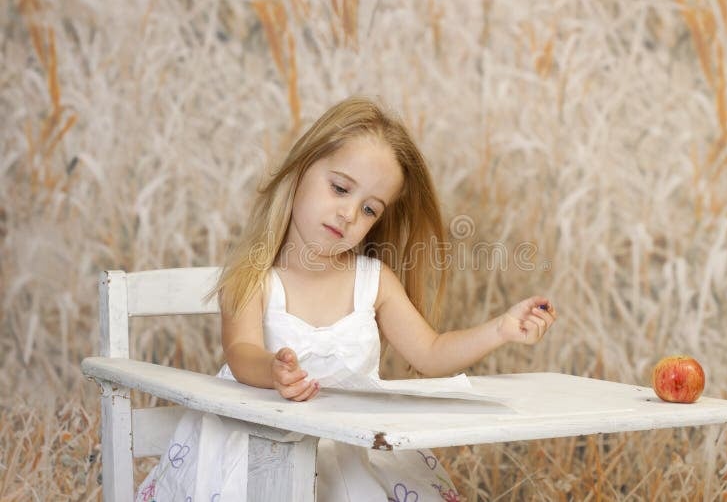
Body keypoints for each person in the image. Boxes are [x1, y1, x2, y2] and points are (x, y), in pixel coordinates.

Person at [135, 96, 558, 501]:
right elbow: (240, 350)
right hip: (258, 446)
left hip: (351, 452)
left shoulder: (373, 282)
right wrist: (273, 371)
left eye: (370, 209)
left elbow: (430, 353)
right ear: (300, 171)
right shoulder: (256, 275)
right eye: (340, 188)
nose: (349, 214)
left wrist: (500, 330)